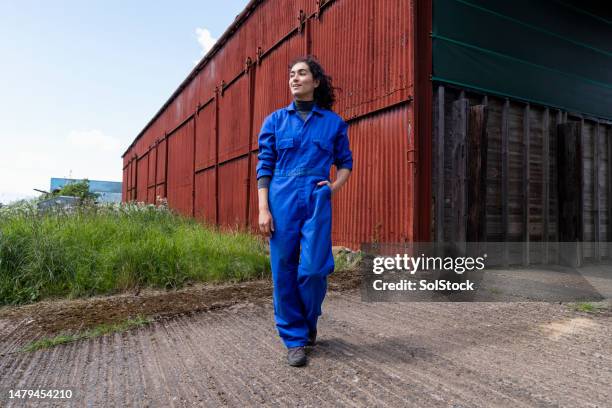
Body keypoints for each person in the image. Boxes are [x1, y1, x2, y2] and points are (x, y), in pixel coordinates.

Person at [256, 55, 353, 367]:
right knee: (283, 271)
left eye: (301, 73)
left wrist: (332, 188)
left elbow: (346, 164)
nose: (294, 79)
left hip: (315, 198)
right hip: (280, 198)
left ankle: (309, 321)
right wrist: (263, 209)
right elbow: (265, 168)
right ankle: (294, 339)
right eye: (291, 74)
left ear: (316, 80)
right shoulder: (274, 122)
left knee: (313, 269)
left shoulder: (333, 124)